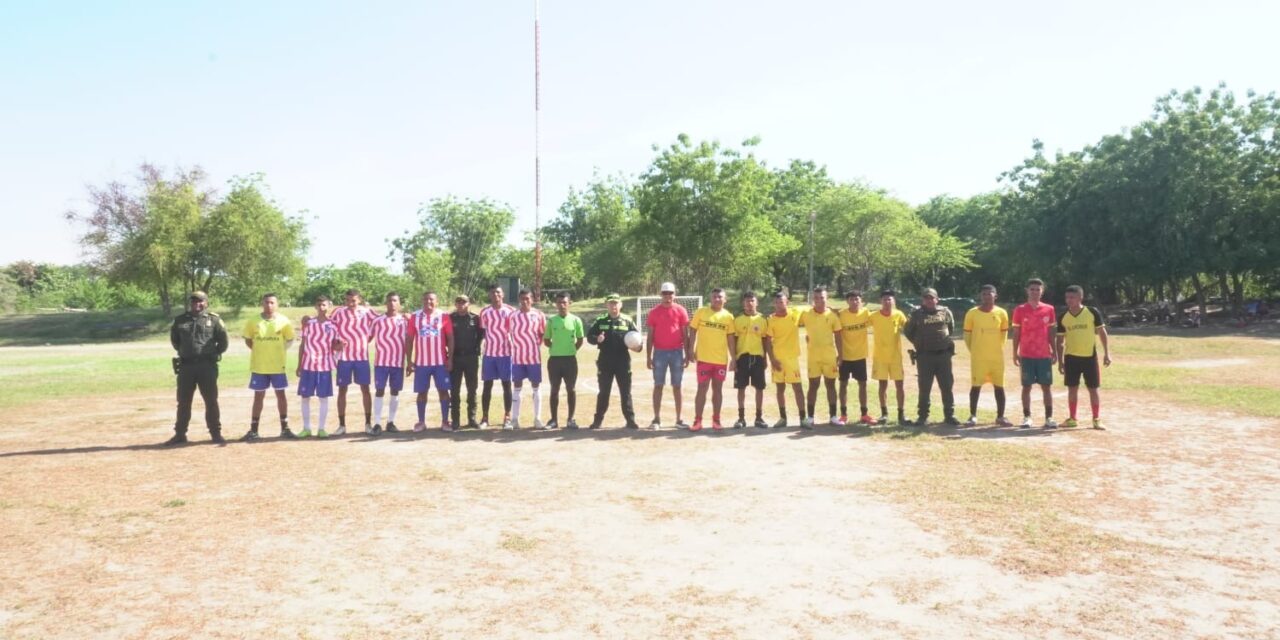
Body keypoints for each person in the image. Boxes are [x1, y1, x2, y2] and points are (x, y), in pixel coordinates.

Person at [166, 291, 229, 445]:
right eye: (194, 302)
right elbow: (175, 341)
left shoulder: (214, 320)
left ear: (206, 303)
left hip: (207, 366)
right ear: (190, 303)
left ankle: (216, 434)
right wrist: (186, 352)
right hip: (186, 366)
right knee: (183, 402)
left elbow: (223, 342)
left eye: (200, 301)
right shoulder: (180, 321)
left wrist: (212, 354)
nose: (197, 304)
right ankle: (180, 434)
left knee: (211, 401)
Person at [240, 292, 296, 441]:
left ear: (277, 304)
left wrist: (278, 351)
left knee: (281, 396)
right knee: (258, 396)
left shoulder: (284, 321)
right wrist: (260, 350)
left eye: (272, 302)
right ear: (262, 304)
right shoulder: (253, 321)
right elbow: (249, 340)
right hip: (259, 366)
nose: (269, 305)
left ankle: (285, 429)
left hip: (278, 366)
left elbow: (289, 340)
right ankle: (253, 430)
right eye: (266, 302)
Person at [1056, 285, 1112, 430]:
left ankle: (1096, 419)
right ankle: (1073, 418)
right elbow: (1060, 341)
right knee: (1072, 389)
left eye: (1072, 297)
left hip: (1089, 357)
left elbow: (1102, 332)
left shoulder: (1092, 312)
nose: (1069, 300)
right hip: (1071, 358)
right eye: (1067, 297)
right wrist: (1060, 361)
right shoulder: (1063, 317)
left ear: (1081, 297)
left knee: (1093, 389)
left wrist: (1107, 353)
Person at [904, 288, 959, 426]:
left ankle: (949, 415)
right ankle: (922, 417)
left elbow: (950, 328)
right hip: (925, 356)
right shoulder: (916, 314)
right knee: (924, 388)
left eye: (932, 298)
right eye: (926, 298)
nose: (929, 300)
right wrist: (920, 343)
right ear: (923, 300)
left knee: (946, 386)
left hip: (943, 356)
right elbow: (908, 332)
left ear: (937, 299)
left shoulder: (945, 312)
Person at [587, 293, 641, 429]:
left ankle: (630, 420)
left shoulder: (628, 321)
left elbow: (637, 340)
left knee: (625, 391)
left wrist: (637, 347)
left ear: (620, 305)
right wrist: (596, 339)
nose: (613, 306)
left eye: (616, 303)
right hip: (605, 361)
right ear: (606, 305)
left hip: (622, 361)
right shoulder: (600, 321)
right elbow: (589, 337)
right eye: (611, 303)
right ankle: (597, 420)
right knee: (604, 391)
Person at [963, 285, 1012, 427]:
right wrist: (975, 351)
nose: (986, 296)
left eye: (989, 294)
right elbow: (967, 336)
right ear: (980, 296)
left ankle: (1001, 416)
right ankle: (972, 416)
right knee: (976, 386)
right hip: (979, 358)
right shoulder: (972, 313)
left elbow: (1004, 335)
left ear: (995, 296)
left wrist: (997, 349)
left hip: (997, 358)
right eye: (983, 294)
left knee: (999, 387)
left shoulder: (1002, 313)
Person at [1011, 278, 1057, 429]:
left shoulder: (1049, 309)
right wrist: (1015, 352)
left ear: (1042, 291)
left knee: (1046, 386)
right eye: (1032, 289)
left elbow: (1051, 332)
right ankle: (1027, 417)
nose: (1035, 292)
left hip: (1044, 355)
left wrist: (1054, 351)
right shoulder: (1020, 309)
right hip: (1026, 354)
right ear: (1027, 291)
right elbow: (1016, 333)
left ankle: (1049, 418)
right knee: (1026, 387)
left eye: (1038, 289)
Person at [329, 288, 376, 435]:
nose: (350, 303)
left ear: (359, 300)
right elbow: (328, 326)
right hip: (344, 358)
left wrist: (406, 317)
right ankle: (342, 425)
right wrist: (336, 344)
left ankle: (368, 424)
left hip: (361, 357)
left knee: (365, 389)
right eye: (348, 300)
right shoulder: (338, 312)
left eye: (353, 300)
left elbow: (381, 321)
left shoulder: (367, 312)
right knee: (342, 390)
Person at [405, 292, 455, 431]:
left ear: (437, 301)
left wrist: (450, 359)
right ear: (422, 300)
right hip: (422, 363)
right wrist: (409, 361)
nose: (428, 301)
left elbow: (450, 338)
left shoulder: (443, 316)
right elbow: (409, 339)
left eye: (431, 299)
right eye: (426, 298)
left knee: (444, 391)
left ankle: (445, 421)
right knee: (422, 393)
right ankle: (421, 422)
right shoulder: (415, 317)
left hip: (440, 363)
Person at [689, 288, 736, 432]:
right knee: (702, 388)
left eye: (720, 297)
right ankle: (698, 420)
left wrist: (733, 358)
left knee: (718, 390)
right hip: (703, 358)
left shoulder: (728, 317)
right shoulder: (701, 312)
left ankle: (716, 420)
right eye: (714, 296)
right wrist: (691, 349)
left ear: (725, 300)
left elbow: (730, 338)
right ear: (710, 298)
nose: (717, 299)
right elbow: (692, 330)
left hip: (720, 360)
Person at [645, 281, 690, 430]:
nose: (667, 296)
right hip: (660, 353)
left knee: (677, 386)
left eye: (670, 293)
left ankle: (679, 419)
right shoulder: (654, 312)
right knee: (658, 385)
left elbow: (685, 334)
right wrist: (648, 356)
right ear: (660, 295)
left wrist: (687, 354)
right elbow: (650, 336)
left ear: (674, 294)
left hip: (677, 352)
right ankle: (656, 419)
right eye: (665, 293)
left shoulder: (681, 311)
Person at [800, 286, 843, 428]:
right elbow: (789, 315)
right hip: (813, 357)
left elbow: (838, 336)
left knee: (831, 385)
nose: (819, 301)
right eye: (816, 298)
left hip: (829, 356)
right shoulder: (806, 314)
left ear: (827, 299)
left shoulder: (832, 316)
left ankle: (833, 416)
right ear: (813, 299)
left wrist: (840, 355)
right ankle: (810, 417)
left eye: (822, 298)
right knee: (813, 385)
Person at [297, 295, 340, 438]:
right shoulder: (309, 323)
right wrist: (299, 365)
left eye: (324, 305)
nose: (322, 308)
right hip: (308, 365)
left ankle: (321, 428)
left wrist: (340, 347)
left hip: (324, 366)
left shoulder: (333, 325)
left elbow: (336, 344)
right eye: (319, 305)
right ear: (315, 307)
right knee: (305, 397)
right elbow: (303, 344)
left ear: (329, 306)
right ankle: (306, 428)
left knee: (323, 398)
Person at [764, 291, 806, 428]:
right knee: (780, 388)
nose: (779, 305)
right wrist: (772, 359)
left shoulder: (795, 313)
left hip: (792, 359)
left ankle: (803, 418)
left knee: (797, 388)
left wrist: (828, 307)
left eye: (782, 302)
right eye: (776, 302)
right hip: (778, 359)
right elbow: (768, 341)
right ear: (773, 304)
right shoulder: (771, 320)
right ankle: (783, 418)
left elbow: (813, 309)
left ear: (787, 302)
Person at [544, 291, 584, 429]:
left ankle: (570, 419)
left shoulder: (576, 320)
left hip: (570, 360)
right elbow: (546, 340)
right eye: (559, 302)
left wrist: (570, 350)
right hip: (554, 360)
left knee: (571, 389)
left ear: (569, 303)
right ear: (556, 304)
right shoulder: (551, 321)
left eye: (564, 302)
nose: (562, 305)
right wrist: (556, 348)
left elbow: (580, 339)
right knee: (554, 389)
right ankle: (553, 420)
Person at [370, 291, 409, 434]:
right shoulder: (378, 320)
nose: (392, 303)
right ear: (385, 303)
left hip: (398, 362)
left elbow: (412, 339)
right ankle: (377, 423)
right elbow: (367, 338)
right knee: (379, 391)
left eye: (395, 300)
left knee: (395, 391)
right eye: (389, 301)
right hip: (381, 362)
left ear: (399, 303)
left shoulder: (404, 320)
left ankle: (391, 422)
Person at [869, 290, 910, 426]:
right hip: (880, 357)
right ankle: (884, 414)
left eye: (890, 299)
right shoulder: (873, 316)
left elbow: (909, 329)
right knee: (882, 386)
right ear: (880, 301)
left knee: (900, 386)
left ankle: (901, 414)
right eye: (885, 299)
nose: (887, 302)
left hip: (896, 357)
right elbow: (858, 324)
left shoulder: (899, 315)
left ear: (894, 301)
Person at [478, 284, 516, 429]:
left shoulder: (510, 311)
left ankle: (507, 417)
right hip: (489, 354)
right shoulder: (485, 312)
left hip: (506, 354)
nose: (496, 295)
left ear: (503, 295)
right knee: (487, 386)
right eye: (493, 292)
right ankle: (485, 417)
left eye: (498, 292)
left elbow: (514, 331)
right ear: (489, 295)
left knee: (506, 385)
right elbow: (482, 332)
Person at [509, 289, 547, 429]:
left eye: (527, 298)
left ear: (532, 299)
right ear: (519, 300)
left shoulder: (538, 315)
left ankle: (537, 419)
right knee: (517, 386)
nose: (524, 301)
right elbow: (510, 333)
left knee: (536, 387)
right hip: (518, 358)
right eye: (522, 299)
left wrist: (535, 346)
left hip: (533, 358)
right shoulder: (513, 316)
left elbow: (542, 333)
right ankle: (514, 419)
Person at [837, 290, 875, 426]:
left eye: (857, 299)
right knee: (843, 384)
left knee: (863, 385)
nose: (855, 302)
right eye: (852, 299)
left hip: (860, 356)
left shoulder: (866, 313)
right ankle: (843, 414)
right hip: (845, 357)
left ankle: (864, 414)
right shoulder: (841, 315)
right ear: (847, 301)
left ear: (861, 301)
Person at [732, 291, 769, 429]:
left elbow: (765, 340)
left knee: (759, 388)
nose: (749, 303)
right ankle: (741, 418)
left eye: (752, 300)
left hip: (757, 357)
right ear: (743, 303)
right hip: (742, 357)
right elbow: (734, 340)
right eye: (747, 301)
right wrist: (734, 359)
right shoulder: (737, 320)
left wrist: (765, 358)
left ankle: (759, 418)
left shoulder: (763, 319)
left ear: (757, 302)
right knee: (741, 388)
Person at [449, 295, 484, 429]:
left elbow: (481, 335)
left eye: (464, 302)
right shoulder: (450, 318)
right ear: (455, 304)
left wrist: (476, 349)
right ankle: (455, 420)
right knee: (454, 389)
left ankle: (472, 418)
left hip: (471, 358)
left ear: (469, 303)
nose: (461, 304)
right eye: (458, 302)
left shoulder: (475, 318)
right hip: (456, 357)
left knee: (472, 389)